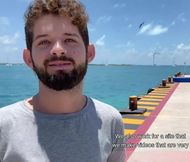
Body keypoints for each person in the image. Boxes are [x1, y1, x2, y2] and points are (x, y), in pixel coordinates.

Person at [0, 0, 125, 161]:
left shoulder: (112, 121)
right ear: (28, 58)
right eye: (44, 42)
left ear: (89, 53)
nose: (58, 49)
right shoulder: (4, 126)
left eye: (69, 40)